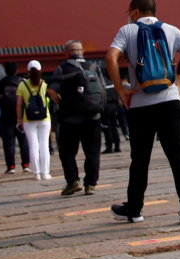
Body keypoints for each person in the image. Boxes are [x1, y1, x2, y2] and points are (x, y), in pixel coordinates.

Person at [104, 0, 180, 225]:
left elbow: (110, 57)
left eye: (128, 12)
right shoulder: (170, 29)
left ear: (136, 11)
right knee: (178, 155)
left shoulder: (127, 31)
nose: (128, 16)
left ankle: (135, 210)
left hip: (140, 104)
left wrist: (121, 90)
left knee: (140, 159)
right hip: (170, 101)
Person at [48, 40, 107, 196]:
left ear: (67, 52)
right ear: (82, 52)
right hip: (93, 116)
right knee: (92, 151)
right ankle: (90, 185)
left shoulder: (62, 69)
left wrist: (62, 104)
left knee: (67, 151)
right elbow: (103, 89)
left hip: (70, 118)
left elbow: (51, 91)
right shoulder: (94, 68)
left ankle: (73, 181)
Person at [16, 60, 53, 181]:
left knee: (33, 146)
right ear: (40, 71)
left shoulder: (22, 85)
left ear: (28, 72)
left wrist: (19, 119)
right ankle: (45, 172)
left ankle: (36, 173)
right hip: (44, 118)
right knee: (44, 145)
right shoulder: (44, 84)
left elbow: (18, 104)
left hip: (28, 119)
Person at [0, 62, 30, 174]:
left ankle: (11, 166)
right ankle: (25, 164)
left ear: (5, 71)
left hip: (6, 116)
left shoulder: (1, 83)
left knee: (9, 141)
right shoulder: (22, 82)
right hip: (21, 115)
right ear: (17, 70)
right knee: (23, 139)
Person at [102, 77, 123, 153]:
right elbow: (116, 94)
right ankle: (117, 146)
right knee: (114, 127)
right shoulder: (111, 83)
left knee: (107, 127)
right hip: (113, 106)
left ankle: (109, 146)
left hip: (105, 107)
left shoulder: (101, 83)